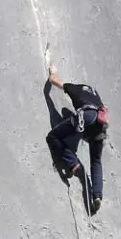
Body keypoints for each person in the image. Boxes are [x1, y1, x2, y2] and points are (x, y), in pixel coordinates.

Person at [46, 67, 108, 214]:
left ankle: (72, 163)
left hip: (86, 116)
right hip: (99, 123)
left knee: (54, 136)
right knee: (96, 160)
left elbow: (53, 81)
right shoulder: (96, 95)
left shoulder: (75, 89)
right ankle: (97, 195)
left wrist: (53, 71)